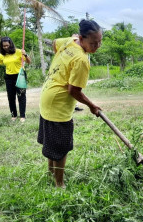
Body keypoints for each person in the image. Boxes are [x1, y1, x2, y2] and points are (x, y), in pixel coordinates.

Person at [38, 19, 102, 188]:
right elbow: (73, 91)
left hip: (47, 94)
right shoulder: (81, 60)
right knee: (61, 146)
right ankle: (59, 184)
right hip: (58, 103)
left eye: (100, 41)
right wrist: (92, 105)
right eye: (93, 43)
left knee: (52, 141)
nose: (97, 46)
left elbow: (54, 44)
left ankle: (51, 172)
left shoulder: (70, 41)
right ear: (82, 38)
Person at [0, 37, 31, 122]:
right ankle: (13, 116)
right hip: (9, 77)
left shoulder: (19, 51)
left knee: (21, 96)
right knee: (11, 97)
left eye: (7, 45)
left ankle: (22, 116)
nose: (5, 47)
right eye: (4, 46)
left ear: (11, 44)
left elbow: (29, 62)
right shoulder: (2, 55)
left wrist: (26, 55)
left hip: (20, 76)